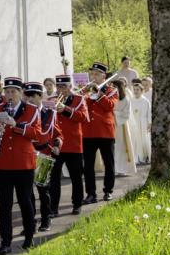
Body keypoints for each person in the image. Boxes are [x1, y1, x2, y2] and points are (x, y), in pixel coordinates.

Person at [0, 77, 41, 255]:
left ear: (21, 93)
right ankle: (5, 242)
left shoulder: (32, 110)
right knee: (5, 204)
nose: (9, 95)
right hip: (2, 163)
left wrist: (16, 125)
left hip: (23, 163)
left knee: (25, 201)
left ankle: (29, 237)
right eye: (7, 92)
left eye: (13, 91)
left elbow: (37, 134)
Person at [24, 81, 61, 230]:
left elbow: (57, 133)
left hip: (44, 154)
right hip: (26, 155)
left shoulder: (50, 113)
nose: (30, 99)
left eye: (33, 96)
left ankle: (46, 219)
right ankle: (30, 222)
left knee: (43, 190)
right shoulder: (23, 112)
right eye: (28, 96)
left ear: (40, 96)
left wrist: (57, 144)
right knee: (28, 193)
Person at [52, 75, 89, 215]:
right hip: (57, 144)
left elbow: (83, 117)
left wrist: (66, 109)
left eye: (64, 86)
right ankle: (53, 207)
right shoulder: (52, 100)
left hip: (73, 143)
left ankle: (77, 204)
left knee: (76, 176)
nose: (61, 89)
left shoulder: (79, 99)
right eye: (59, 86)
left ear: (70, 87)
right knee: (54, 178)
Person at [82, 62, 119, 203]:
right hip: (88, 132)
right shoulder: (86, 90)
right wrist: (84, 92)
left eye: (97, 74)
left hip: (105, 132)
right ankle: (91, 194)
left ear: (104, 76)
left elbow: (110, 106)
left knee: (109, 163)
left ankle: (108, 191)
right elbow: (82, 106)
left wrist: (99, 94)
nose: (94, 76)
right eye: (92, 74)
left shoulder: (111, 90)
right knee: (88, 166)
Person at [112, 77, 137, 177]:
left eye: (114, 87)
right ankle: (113, 168)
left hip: (121, 126)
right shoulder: (110, 98)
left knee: (121, 147)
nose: (112, 89)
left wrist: (114, 113)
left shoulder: (125, 99)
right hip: (110, 125)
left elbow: (126, 114)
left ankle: (122, 169)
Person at [130, 78, 152, 164]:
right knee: (135, 140)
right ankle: (136, 157)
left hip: (143, 123)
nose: (136, 91)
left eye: (137, 90)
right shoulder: (131, 100)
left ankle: (144, 156)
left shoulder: (145, 101)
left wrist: (149, 123)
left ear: (141, 91)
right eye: (134, 90)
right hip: (133, 123)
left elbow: (149, 113)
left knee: (144, 140)